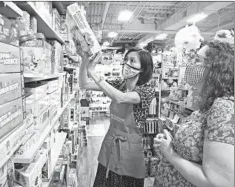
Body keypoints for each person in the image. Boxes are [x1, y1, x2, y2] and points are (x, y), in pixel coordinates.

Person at [153, 30, 234, 187]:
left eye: (198, 60)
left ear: (216, 70)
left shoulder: (223, 107)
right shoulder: (206, 105)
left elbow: (218, 182)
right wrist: (169, 144)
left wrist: (170, 154)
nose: (191, 64)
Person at [76, 42, 155, 186]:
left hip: (130, 152)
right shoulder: (120, 84)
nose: (127, 64)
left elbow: (120, 97)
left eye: (132, 61)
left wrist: (93, 72)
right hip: (110, 145)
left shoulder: (146, 90)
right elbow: (84, 84)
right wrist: (84, 61)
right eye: (126, 60)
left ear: (142, 68)